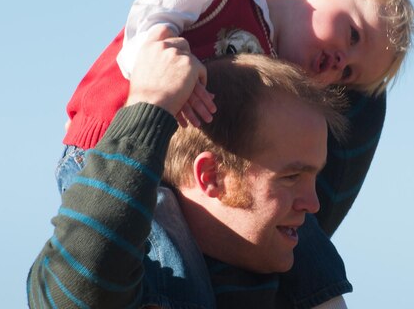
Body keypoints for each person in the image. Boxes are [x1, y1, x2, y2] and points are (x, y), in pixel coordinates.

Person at [28, 29, 349, 308]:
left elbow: (371, 101)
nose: (314, 204)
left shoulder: (291, 280)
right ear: (212, 177)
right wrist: (150, 103)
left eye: (314, 176)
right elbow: (76, 287)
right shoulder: (148, 278)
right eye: (291, 177)